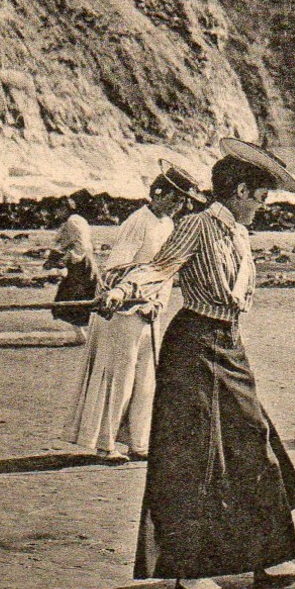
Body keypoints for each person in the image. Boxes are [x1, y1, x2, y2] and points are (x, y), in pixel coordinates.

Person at [101, 139, 295, 589]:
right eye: (259, 196)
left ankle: (271, 557)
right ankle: (189, 567)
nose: (262, 205)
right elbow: (159, 268)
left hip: (229, 345)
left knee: (253, 442)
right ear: (238, 191)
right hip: (193, 345)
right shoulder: (195, 225)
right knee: (193, 456)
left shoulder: (238, 232)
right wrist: (122, 291)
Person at [63, 162, 206, 463]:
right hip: (122, 315)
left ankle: (138, 442)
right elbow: (115, 269)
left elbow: (165, 272)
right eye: (175, 197)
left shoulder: (169, 226)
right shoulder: (137, 221)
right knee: (119, 378)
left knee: (145, 380)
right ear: (157, 193)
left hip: (149, 314)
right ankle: (105, 444)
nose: (179, 205)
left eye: (183, 200)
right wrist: (133, 297)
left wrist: (158, 303)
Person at [50, 215, 100, 343]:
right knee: (81, 304)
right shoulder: (85, 245)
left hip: (78, 277)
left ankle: (81, 335)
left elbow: (72, 259)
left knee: (69, 302)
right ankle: (82, 334)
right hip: (87, 275)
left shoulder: (74, 248)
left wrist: (61, 261)